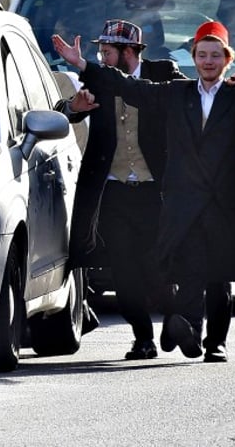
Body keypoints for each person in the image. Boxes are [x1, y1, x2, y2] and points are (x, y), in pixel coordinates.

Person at [53, 21, 235, 363]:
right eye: (202, 55)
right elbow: (131, 89)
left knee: (220, 277)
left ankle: (215, 342)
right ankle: (187, 326)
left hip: (225, 205)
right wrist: (83, 65)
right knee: (188, 269)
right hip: (184, 205)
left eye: (215, 55)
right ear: (194, 58)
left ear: (227, 60)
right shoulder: (176, 93)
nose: (208, 61)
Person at [60, 19, 189, 360]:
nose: (101, 58)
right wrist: (75, 108)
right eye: (99, 52)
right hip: (113, 192)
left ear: (129, 51)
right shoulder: (98, 80)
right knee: (123, 269)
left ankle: (176, 320)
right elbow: (61, 112)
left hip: (154, 192)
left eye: (107, 52)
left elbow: (191, 95)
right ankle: (142, 336)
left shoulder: (164, 73)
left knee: (156, 268)